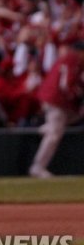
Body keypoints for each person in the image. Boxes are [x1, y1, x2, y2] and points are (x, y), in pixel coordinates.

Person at [29, 41, 84, 178]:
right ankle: (38, 167)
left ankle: (46, 128)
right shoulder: (72, 58)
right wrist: (76, 94)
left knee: (74, 117)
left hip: (55, 99)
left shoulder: (73, 60)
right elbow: (66, 84)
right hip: (56, 99)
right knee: (54, 135)